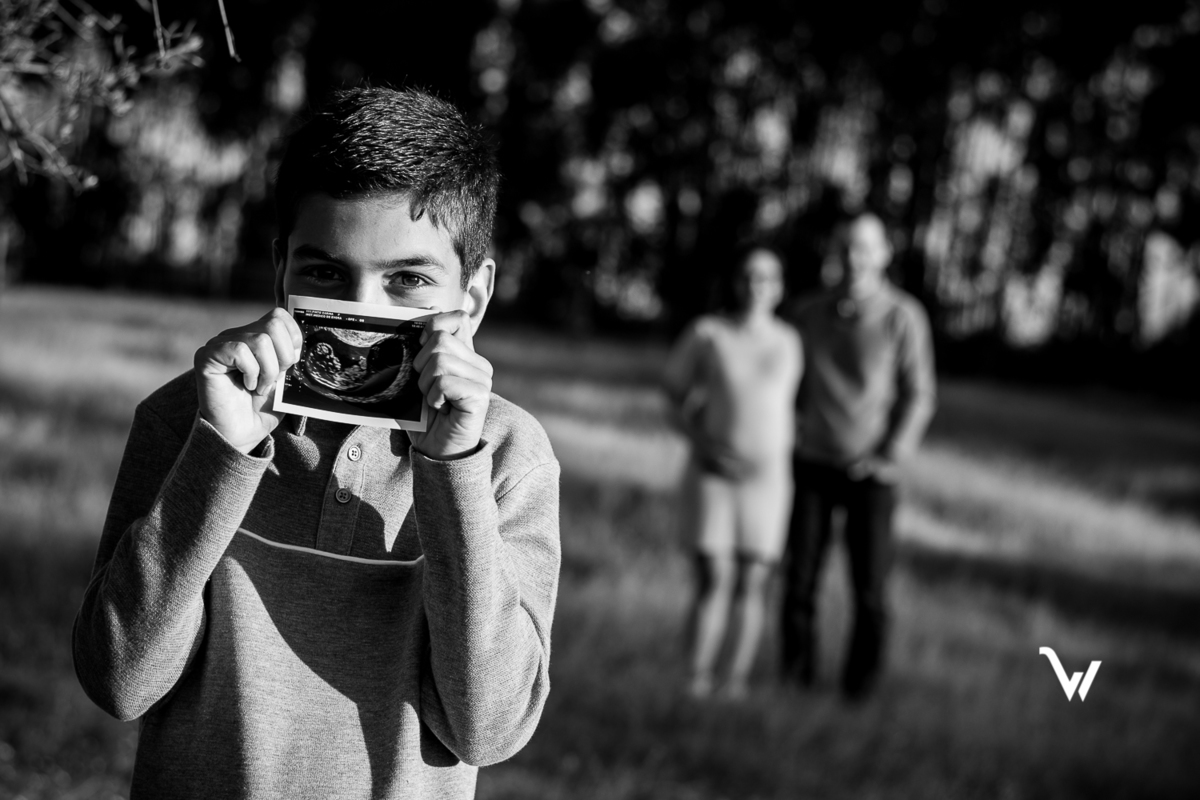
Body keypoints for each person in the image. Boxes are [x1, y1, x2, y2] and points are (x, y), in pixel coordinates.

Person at [72, 87, 561, 799]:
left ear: (474, 299)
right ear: (281, 271)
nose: (364, 314)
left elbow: (491, 725)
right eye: (328, 274)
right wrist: (220, 456)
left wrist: (452, 467)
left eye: (409, 281)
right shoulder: (187, 420)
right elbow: (120, 680)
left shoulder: (508, 455)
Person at [779, 212, 936, 699]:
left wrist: (890, 455)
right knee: (799, 583)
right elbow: (783, 384)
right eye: (847, 247)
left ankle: (859, 691)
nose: (854, 258)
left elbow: (919, 394)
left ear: (884, 254)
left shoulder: (902, 315)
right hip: (811, 466)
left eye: (865, 248)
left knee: (869, 591)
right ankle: (795, 681)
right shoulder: (808, 313)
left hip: (873, 475)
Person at [663, 245, 803, 699]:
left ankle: (735, 684)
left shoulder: (789, 341)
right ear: (735, 281)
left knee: (754, 579)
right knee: (714, 576)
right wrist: (705, 446)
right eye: (748, 276)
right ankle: (694, 678)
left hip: (769, 480)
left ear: (779, 288)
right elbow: (673, 397)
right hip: (712, 473)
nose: (756, 286)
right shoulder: (708, 333)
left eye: (767, 278)